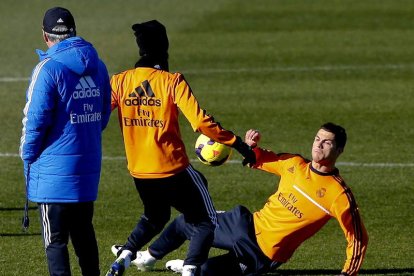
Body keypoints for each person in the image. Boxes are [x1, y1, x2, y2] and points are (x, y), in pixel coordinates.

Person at [105, 20, 255, 276]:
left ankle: (125, 256)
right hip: (174, 170)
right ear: (163, 48)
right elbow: (200, 122)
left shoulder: (119, 81)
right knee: (206, 221)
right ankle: (190, 269)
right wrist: (238, 143)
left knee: (154, 217)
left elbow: (97, 116)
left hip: (140, 172)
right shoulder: (172, 81)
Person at [126, 122, 369, 276]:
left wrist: (348, 273)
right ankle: (148, 258)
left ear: (339, 150)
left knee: (207, 272)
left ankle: (191, 266)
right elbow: (258, 159)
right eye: (317, 139)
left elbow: (357, 238)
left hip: (262, 255)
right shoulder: (295, 164)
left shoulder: (339, 195)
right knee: (187, 221)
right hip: (245, 225)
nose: (319, 145)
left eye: (327, 142)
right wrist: (250, 147)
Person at [19, 7, 111, 276]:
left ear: (45, 36)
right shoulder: (99, 65)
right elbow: (103, 115)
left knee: (55, 241)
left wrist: (27, 154)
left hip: (51, 174)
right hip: (86, 166)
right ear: (73, 31)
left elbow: (34, 121)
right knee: (84, 233)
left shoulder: (47, 69)